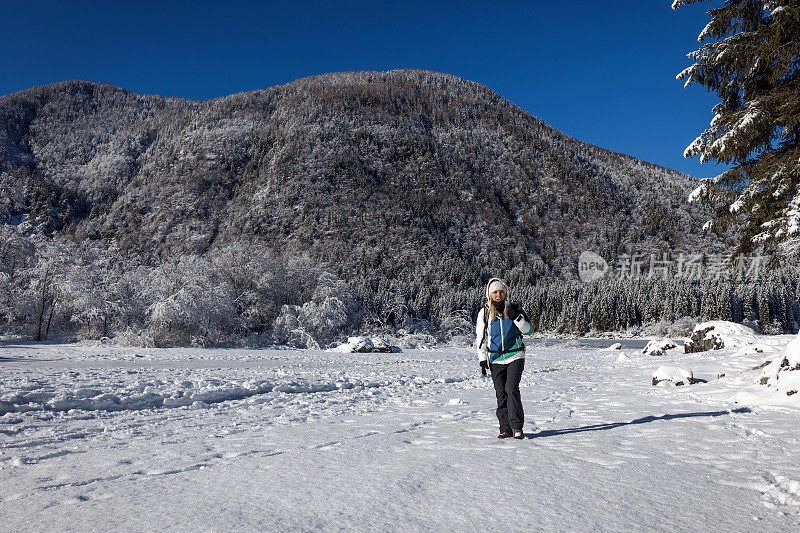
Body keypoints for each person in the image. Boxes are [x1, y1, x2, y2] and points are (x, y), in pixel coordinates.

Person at [475, 277, 534, 439]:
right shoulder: (484, 312)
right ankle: (505, 428)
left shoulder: (514, 308)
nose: (498, 294)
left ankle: (516, 427)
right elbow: (481, 337)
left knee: (511, 389)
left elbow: (529, 330)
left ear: (506, 293)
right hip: (495, 358)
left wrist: (517, 318)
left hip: (515, 354)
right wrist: (482, 358)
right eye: (495, 292)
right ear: (490, 294)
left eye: (501, 291)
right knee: (501, 393)